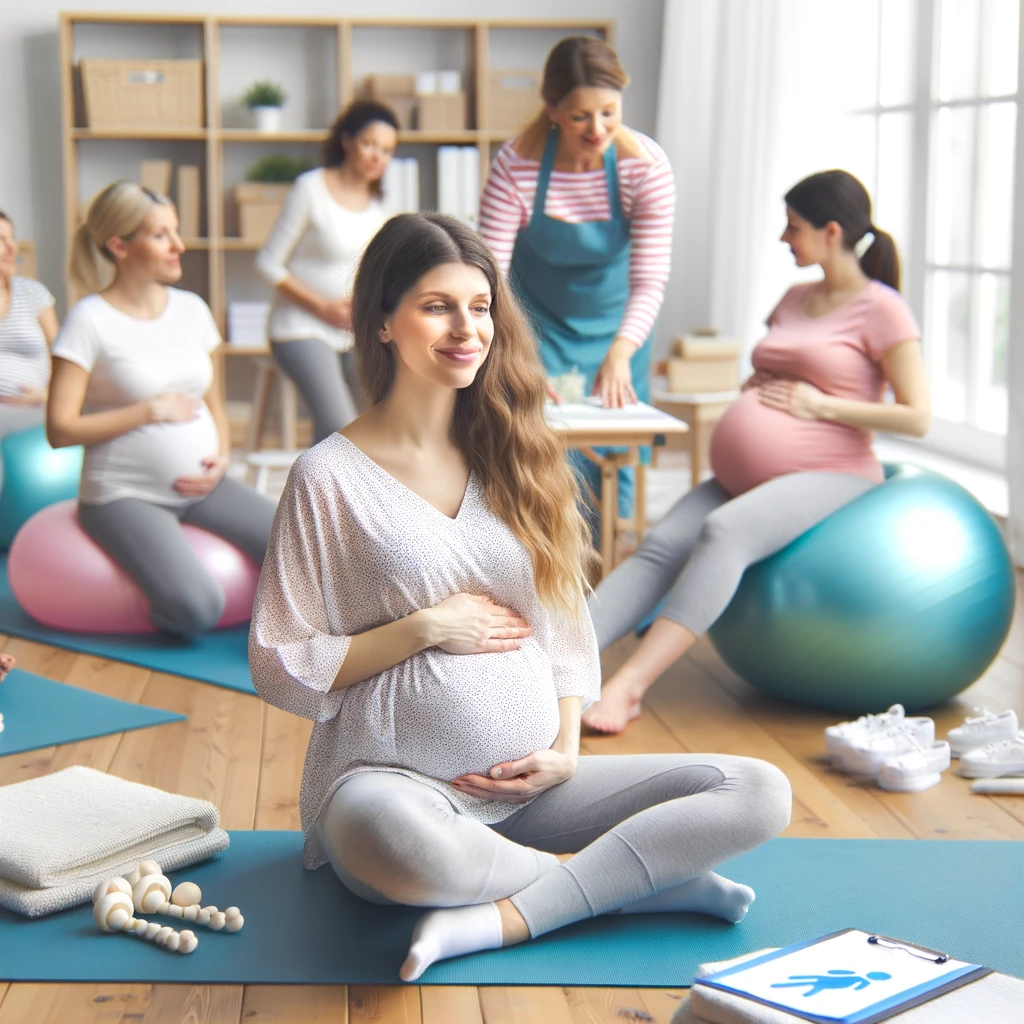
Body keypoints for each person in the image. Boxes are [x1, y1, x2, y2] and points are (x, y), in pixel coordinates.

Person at [249, 213, 791, 983]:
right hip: (389, 782)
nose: (466, 328)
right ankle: (626, 887)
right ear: (381, 323)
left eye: (479, 307)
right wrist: (422, 628)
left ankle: (501, 912)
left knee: (757, 790)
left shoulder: (517, 453)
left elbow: (566, 629)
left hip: (533, 789)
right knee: (400, 847)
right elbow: (278, 659)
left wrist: (565, 751)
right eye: (437, 305)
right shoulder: (327, 477)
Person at [583, 170, 931, 733]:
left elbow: (917, 416)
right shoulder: (795, 297)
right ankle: (555, 665)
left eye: (793, 227)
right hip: (747, 473)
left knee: (724, 532)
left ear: (832, 231)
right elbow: (777, 368)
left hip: (835, 471)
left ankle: (629, 686)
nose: (783, 238)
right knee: (661, 543)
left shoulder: (882, 308)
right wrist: (757, 386)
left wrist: (822, 407)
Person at [47, 182, 275, 636]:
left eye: (176, 232)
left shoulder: (192, 310)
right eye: (160, 235)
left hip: (203, 486)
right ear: (120, 246)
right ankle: (139, 607)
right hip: (123, 494)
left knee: (303, 547)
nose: (179, 246)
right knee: (198, 608)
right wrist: (148, 411)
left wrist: (222, 458)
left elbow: (214, 401)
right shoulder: (89, 319)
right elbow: (60, 429)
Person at [478, 36, 675, 525]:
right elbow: (490, 277)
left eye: (609, 112)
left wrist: (623, 350)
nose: (597, 129)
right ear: (551, 110)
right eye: (580, 116)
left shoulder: (645, 168)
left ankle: (612, 567)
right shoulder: (515, 165)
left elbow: (649, 281)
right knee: (539, 460)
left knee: (614, 470)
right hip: (533, 325)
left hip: (617, 331)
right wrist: (514, 355)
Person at [256, 101, 399, 443]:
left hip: (353, 331)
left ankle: (356, 494)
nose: (378, 156)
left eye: (387, 150)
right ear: (347, 141)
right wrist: (322, 307)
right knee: (338, 422)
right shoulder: (310, 189)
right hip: (300, 327)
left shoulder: (381, 207)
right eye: (370, 144)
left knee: (379, 417)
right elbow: (268, 263)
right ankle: (319, 494)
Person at [0, 211, 59, 491]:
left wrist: (48, 396)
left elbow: (64, 359)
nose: (13, 247)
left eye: (12, 238)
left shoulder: (33, 293)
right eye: (1, 239)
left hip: (33, 408)